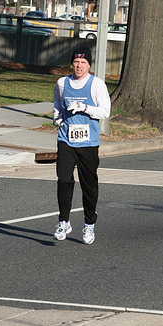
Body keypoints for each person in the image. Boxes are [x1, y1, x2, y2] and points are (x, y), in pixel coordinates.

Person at [53, 45, 111, 245]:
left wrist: (84, 108)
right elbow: (57, 104)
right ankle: (64, 221)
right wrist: (57, 118)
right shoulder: (62, 83)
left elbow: (105, 112)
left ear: (88, 65)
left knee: (89, 184)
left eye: (83, 63)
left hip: (88, 142)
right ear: (72, 64)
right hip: (66, 139)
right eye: (76, 62)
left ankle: (89, 224)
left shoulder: (96, 85)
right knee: (63, 179)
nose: (79, 66)